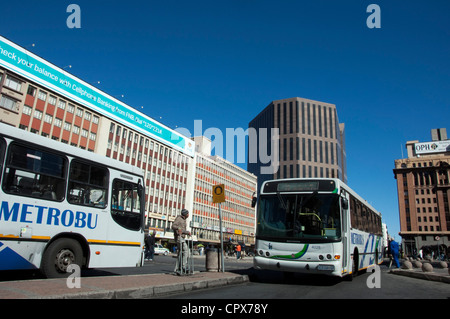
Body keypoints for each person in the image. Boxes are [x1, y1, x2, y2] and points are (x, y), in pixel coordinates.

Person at [172, 209, 191, 273]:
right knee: (186, 250)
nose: (188, 215)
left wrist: (187, 232)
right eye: (188, 213)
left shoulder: (184, 220)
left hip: (182, 237)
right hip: (179, 238)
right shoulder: (179, 219)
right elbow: (173, 226)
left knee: (180, 253)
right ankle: (183, 266)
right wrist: (178, 228)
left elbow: (182, 230)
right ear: (185, 214)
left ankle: (177, 268)